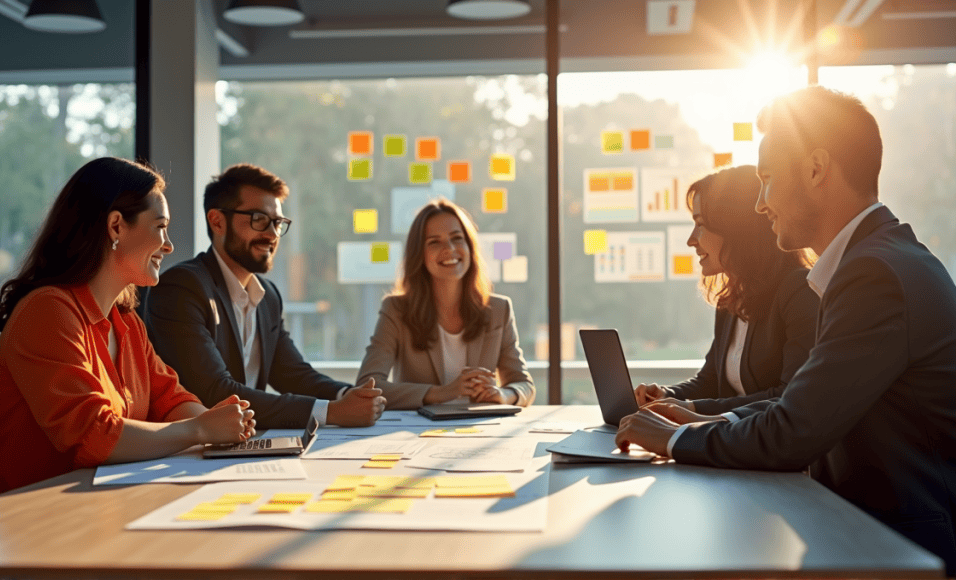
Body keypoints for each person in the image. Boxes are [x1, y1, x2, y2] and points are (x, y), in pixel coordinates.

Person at [616, 86, 956, 573]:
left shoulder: (874, 275)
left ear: (817, 169)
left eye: (767, 180)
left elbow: (794, 430)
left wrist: (673, 439)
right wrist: (693, 418)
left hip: (896, 549)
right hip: (856, 531)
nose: (760, 204)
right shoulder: (876, 260)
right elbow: (799, 406)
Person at [0, 157, 255, 500]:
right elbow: (95, 435)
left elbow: (170, 401)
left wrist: (220, 427)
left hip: (81, 504)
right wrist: (201, 429)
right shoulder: (48, 312)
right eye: (160, 227)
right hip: (11, 515)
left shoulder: (126, 323)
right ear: (116, 227)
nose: (169, 245)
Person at [142, 163, 385, 429]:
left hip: (245, 442)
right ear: (217, 221)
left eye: (278, 222)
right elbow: (214, 392)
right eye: (259, 219)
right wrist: (332, 412)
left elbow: (293, 374)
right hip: (189, 452)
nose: (271, 234)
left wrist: (348, 395)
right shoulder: (182, 287)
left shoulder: (267, 296)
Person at [633, 165, 818, 415]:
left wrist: (689, 409)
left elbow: (788, 398)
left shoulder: (798, 291)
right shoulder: (731, 299)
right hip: (730, 443)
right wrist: (667, 396)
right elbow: (710, 382)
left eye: (700, 224)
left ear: (736, 228)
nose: (691, 239)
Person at [356, 199, 535, 409]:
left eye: (457, 238)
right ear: (419, 255)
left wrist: (502, 395)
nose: (449, 249)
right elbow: (367, 387)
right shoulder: (396, 310)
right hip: (418, 433)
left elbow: (524, 384)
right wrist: (442, 393)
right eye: (434, 242)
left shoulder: (498, 310)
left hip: (480, 429)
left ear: (470, 247)